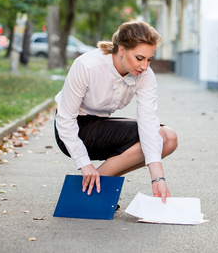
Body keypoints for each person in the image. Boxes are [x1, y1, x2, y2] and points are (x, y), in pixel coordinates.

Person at [54, 21, 178, 203]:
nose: (144, 66)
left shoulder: (145, 75)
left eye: (149, 60)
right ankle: (86, 191)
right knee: (162, 135)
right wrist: (84, 164)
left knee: (169, 138)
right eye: (139, 58)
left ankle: (97, 187)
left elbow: (148, 121)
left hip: (101, 126)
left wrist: (158, 178)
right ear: (121, 50)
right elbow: (65, 119)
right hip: (73, 129)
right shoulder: (87, 65)